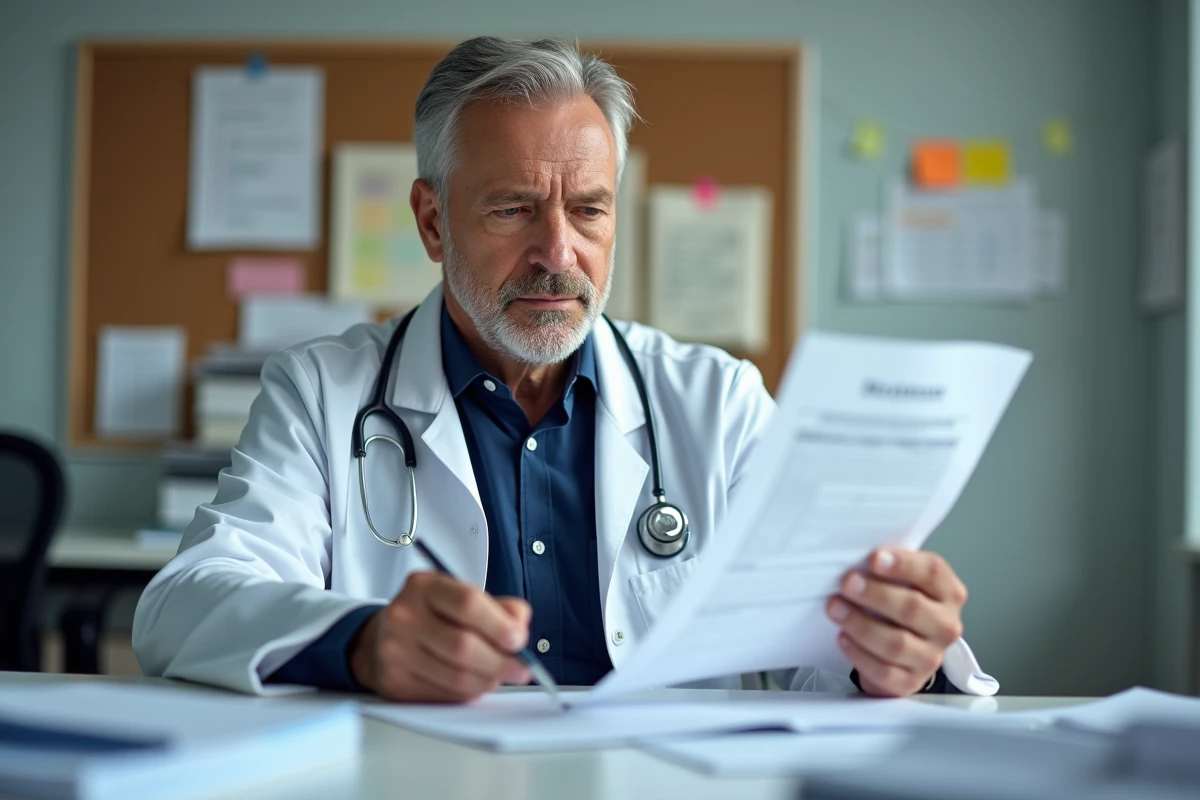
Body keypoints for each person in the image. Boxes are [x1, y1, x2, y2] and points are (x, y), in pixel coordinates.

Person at [133, 36, 988, 702]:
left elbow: (820, 647)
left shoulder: (717, 403)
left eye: (588, 210)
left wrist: (892, 654)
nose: (558, 253)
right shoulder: (323, 394)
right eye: (512, 209)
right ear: (432, 222)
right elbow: (183, 605)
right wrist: (362, 641)